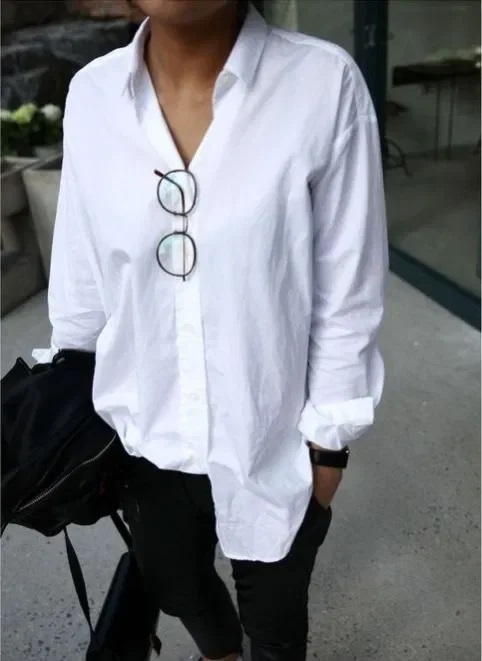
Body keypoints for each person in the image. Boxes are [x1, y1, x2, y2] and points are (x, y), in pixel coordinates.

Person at [34, 1, 388, 659]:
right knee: (177, 586)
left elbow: (348, 290)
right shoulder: (93, 96)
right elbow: (81, 278)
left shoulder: (321, 84)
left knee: (276, 623)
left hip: (274, 438)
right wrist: (70, 411)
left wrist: (329, 450)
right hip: (142, 440)